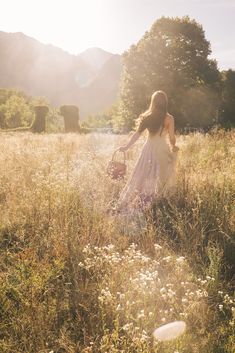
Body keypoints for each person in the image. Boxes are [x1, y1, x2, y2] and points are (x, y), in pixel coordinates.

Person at [115, 90, 179, 213]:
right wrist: (174, 146)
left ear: (153, 102)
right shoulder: (169, 118)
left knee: (140, 175)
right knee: (160, 176)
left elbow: (137, 134)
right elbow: (171, 138)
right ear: (165, 103)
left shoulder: (147, 117)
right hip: (162, 149)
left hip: (148, 149)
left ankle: (135, 203)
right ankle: (155, 203)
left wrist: (126, 147)